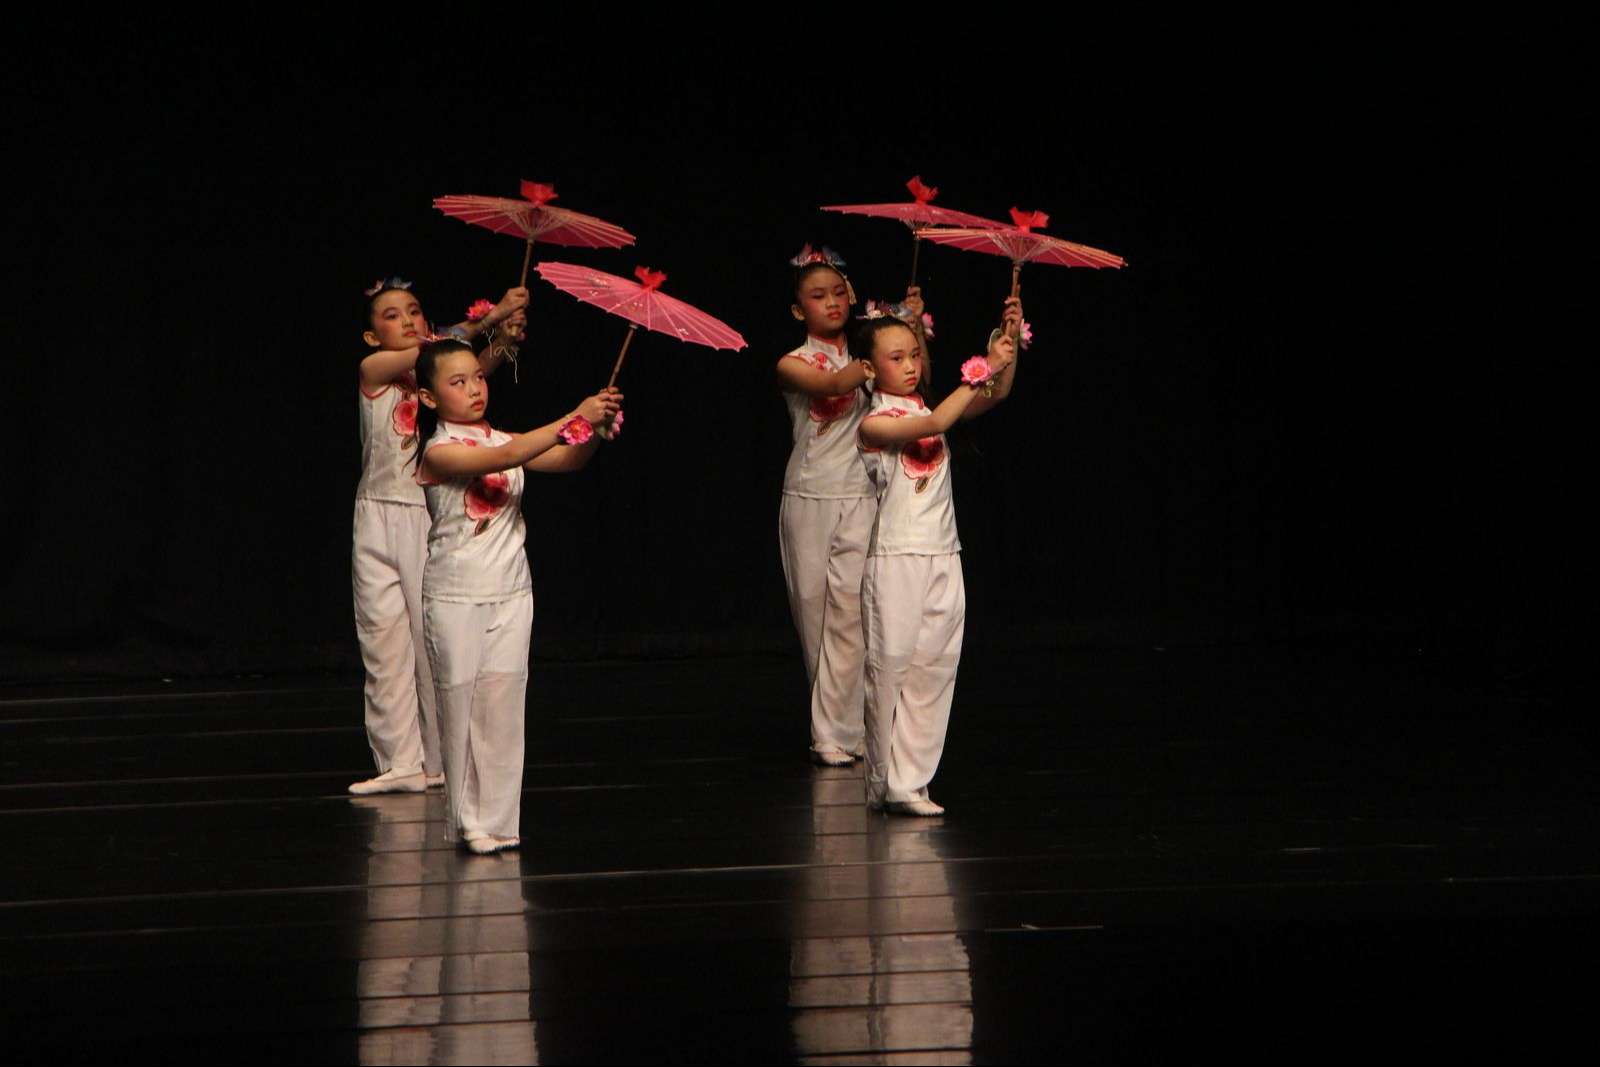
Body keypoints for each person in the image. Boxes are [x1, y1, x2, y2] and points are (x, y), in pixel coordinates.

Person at [412, 337, 621, 853]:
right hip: (456, 593)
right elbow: (507, 455)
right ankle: (466, 821)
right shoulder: (438, 450)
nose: (474, 389)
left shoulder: (504, 437)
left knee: (502, 707)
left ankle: (500, 821)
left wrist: (593, 433)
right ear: (430, 397)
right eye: (457, 382)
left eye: (478, 378)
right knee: (460, 704)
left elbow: (565, 461)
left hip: (510, 589)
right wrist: (575, 414)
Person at [350, 277, 528, 795]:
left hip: (419, 513)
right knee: (381, 639)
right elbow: (433, 352)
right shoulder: (373, 370)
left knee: (429, 645)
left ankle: (438, 758)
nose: (408, 320)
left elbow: (467, 372)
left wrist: (502, 340)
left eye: (414, 311)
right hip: (373, 512)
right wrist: (489, 317)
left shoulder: (436, 382)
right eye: (392, 315)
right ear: (372, 337)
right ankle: (398, 760)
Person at [855, 298, 1022, 815]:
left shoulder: (928, 406)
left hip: (943, 553)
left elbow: (996, 395)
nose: (910, 365)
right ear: (868, 369)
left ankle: (911, 783)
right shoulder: (874, 423)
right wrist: (982, 369)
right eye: (896, 358)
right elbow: (937, 420)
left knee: (934, 668)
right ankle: (881, 781)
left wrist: (1005, 348)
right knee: (890, 668)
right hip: (896, 557)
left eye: (914, 355)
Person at [775, 245, 929, 767]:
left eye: (839, 292)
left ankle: (840, 731)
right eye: (818, 296)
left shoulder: (872, 350)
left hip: (862, 496)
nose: (832, 303)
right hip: (809, 497)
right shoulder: (794, 363)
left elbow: (913, 382)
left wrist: (910, 331)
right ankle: (832, 727)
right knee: (815, 617)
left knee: (852, 616)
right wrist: (878, 351)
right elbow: (831, 383)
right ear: (798, 310)